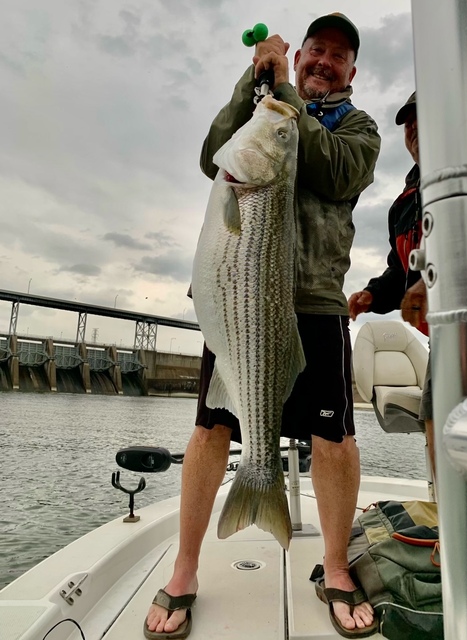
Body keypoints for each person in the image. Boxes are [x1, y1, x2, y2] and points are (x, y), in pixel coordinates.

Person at [145, 13, 381, 639]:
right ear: (298, 54)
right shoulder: (263, 106)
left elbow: (337, 172)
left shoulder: (358, 129)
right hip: (242, 299)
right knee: (209, 429)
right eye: (316, 50)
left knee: (334, 442)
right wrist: (251, 82)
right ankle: (186, 567)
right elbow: (211, 155)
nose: (324, 61)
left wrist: (289, 107)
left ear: (352, 71)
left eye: (338, 55)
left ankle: (334, 566)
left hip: (318, 303)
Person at [348, 92, 435, 479]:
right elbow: (398, 273)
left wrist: (436, 281)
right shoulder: (402, 205)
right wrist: (370, 295)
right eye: (408, 121)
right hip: (445, 342)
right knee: (437, 420)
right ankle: (448, 522)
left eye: (424, 116)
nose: (414, 126)